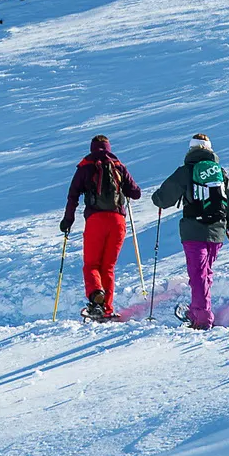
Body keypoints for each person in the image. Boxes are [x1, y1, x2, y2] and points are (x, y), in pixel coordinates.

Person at [151, 133, 229, 329]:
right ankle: (200, 308)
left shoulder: (186, 171)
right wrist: (226, 225)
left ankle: (202, 316)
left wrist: (156, 198)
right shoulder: (220, 172)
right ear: (210, 150)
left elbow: (163, 199)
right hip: (216, 232)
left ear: (191, 149)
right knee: (205, 272)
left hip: (193, 230)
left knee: (197, 273)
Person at [60, 135, 142, 320]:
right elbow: (136, 193)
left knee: (91, 265)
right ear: (108, 147)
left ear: (92, 148)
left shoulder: (85, 166)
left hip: (96, 220)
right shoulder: (118, 166)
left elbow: (72, 196)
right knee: (108, 267)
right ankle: (107, 309)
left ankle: (96, 298)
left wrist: (68, 220)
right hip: (117, 221)